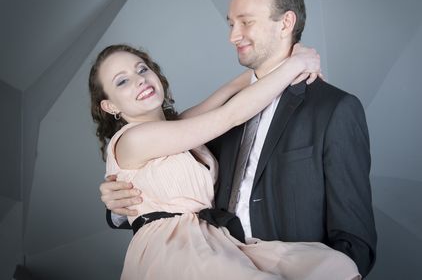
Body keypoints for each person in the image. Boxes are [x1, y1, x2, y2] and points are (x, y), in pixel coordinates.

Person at [99, 0, 377, 277]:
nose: (233, 35)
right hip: (198, 261)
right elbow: (223, 120)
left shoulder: (334, 109)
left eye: (245, 21)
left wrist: (295, 59)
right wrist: (117, 206)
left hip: (266, 261)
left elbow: (354, 239)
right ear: (109, 105)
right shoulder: (216, 121)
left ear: (285, 23)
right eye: (231, 24)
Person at [90, 43, 360, 279]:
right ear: (110, 106)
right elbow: (229, 116)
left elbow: (234, 87)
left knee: (329, 267)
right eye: (122, 81)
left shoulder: (179, 127)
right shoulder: (133, 140)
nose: (139, 80)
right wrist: (297, 65)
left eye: (142, 69)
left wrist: (291, 55)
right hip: (172, 250)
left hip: (211, 239)